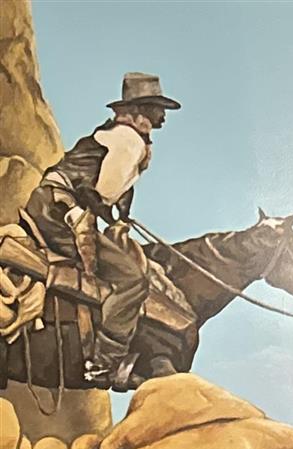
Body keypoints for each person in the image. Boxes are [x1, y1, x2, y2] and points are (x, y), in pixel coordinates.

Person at [23, 72, 177, 388]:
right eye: (157, 107)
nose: (162, 115)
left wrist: (120, 214)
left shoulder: (118, 135)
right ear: (141, 110)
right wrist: (109, 215)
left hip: (51, 204)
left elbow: (113, 188)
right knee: (133, 280)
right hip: (59, 212)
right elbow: (94, 193)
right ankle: (103, 363)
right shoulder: (129, 140)